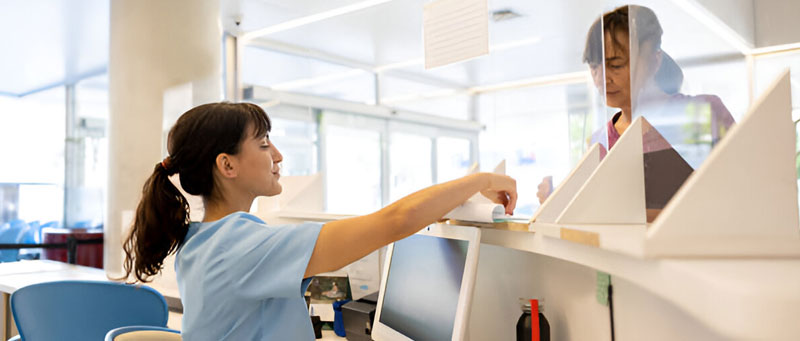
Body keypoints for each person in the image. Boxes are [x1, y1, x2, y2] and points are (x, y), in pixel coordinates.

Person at [119, 102, 517, 340]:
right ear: (227, 165)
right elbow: (396, 221)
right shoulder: (239, 246)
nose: (277, 156)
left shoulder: (205, 239)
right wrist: (480, 181)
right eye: (262, 144)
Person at [537, 5, 735, 221]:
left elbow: (742, 189)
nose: (602, 79)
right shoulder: (599, 143)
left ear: (654, 60)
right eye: (594, 67)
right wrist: (557, 200)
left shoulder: (703, 113)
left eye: (616, 65)